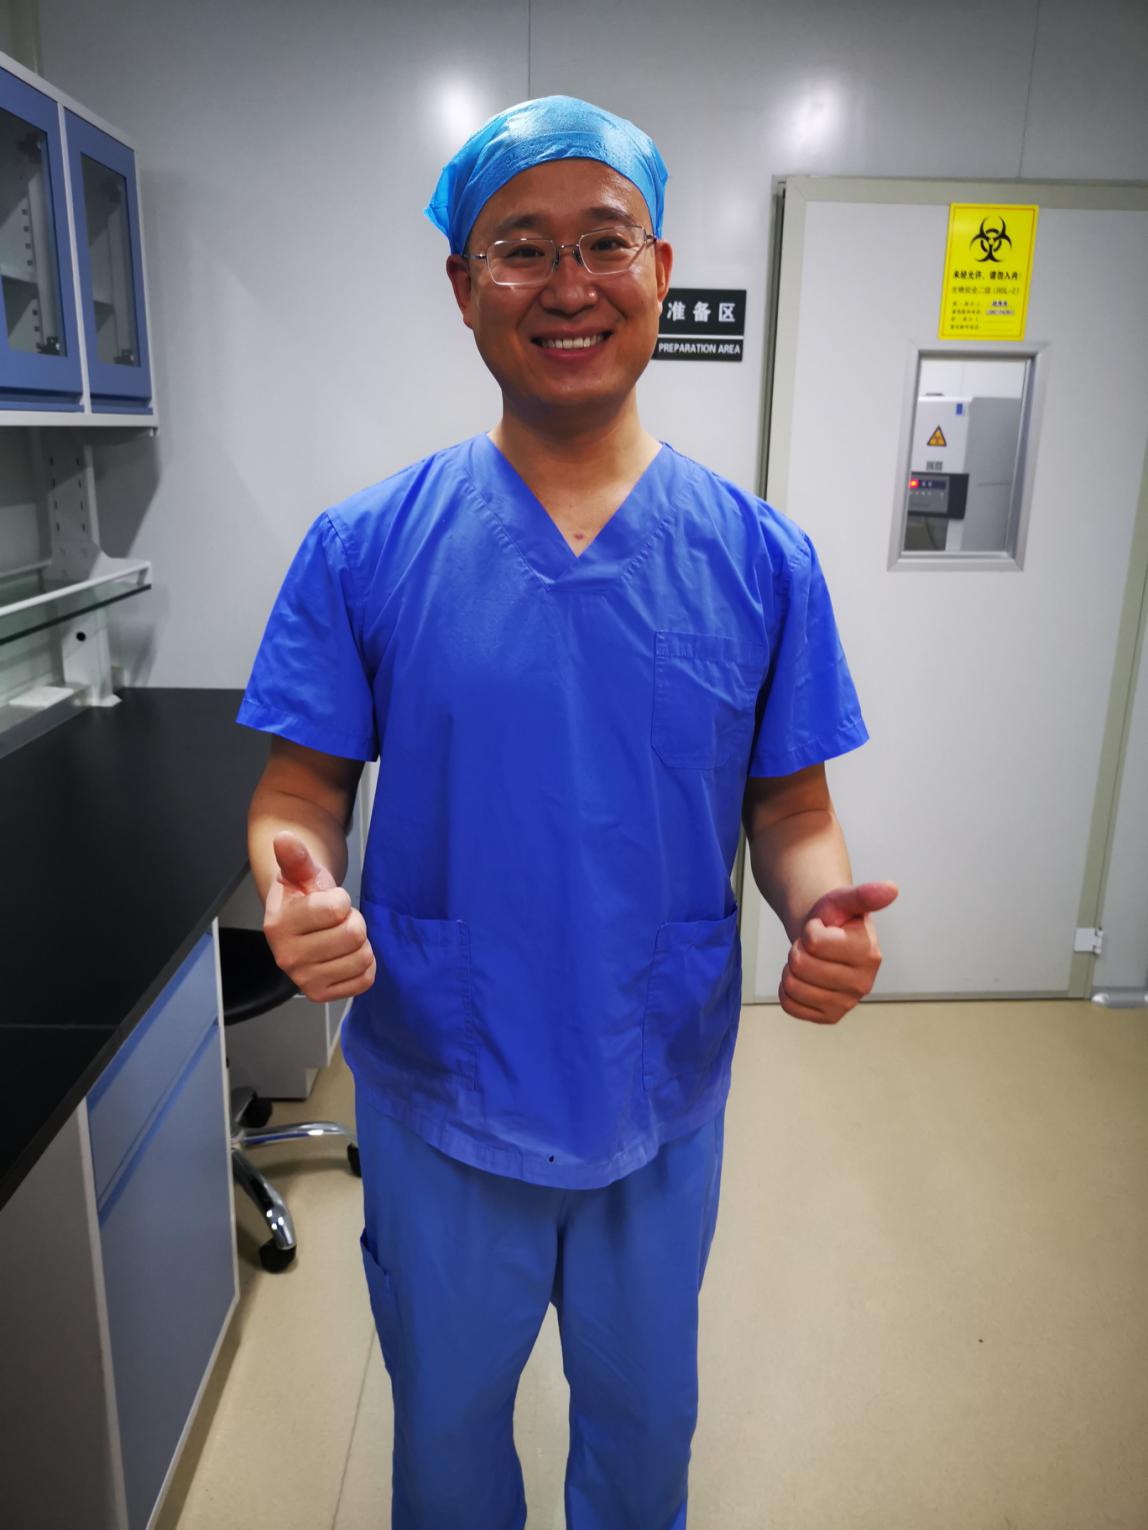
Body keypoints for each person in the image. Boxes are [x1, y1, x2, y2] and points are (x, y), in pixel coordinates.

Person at [238, 95, 898, 1530]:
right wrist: (296, 884)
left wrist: (820, 913)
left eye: (604, 241)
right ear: (462, 285)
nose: (568, 283)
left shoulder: (760, 559)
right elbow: (300, 790)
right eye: (521, 248)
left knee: (646, 1428)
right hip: (444, 1076)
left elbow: (792, 808)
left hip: (652, 1075)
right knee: (446, 1433)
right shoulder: (367, 547)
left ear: (660, 268)